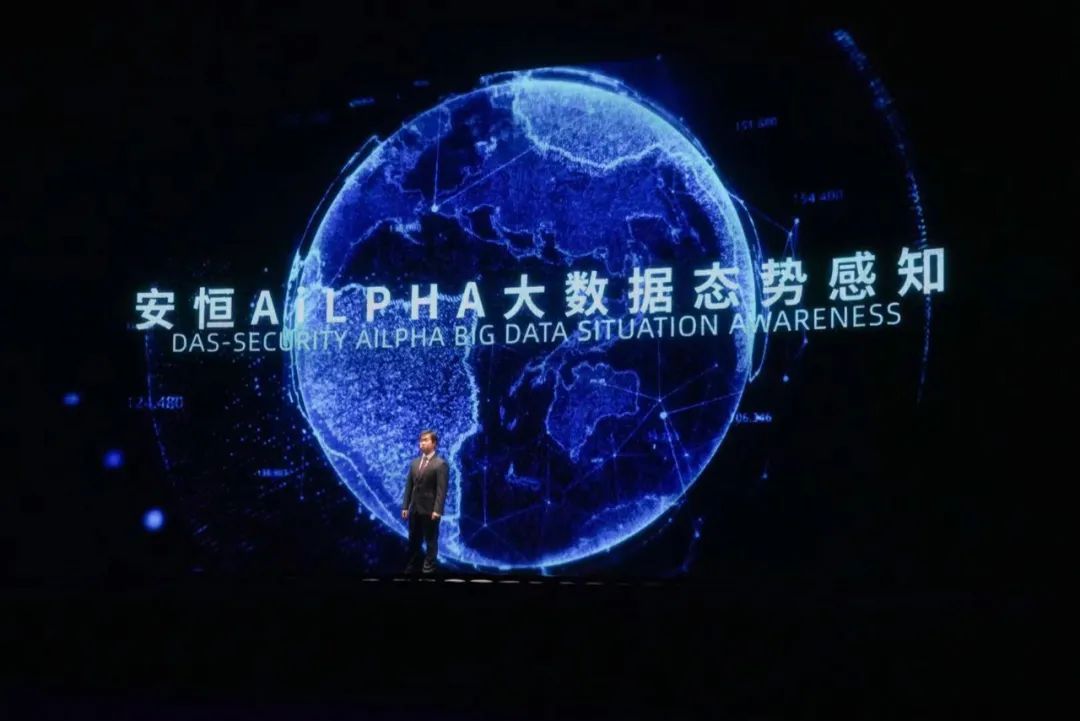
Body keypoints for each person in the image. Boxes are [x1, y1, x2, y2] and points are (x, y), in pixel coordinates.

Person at [401, 429, 448, 574]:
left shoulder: (440, 464)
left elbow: (441, 490)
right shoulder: (414, 463)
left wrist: (437, 510)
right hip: (415, 509)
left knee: (430, 541)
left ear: (434, 443)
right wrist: (405, 506)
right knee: (413, 540)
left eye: (425, 440)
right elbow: (409, 486)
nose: (422, 443)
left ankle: (429, 569)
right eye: (421, 441)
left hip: (430, 510)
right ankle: (412, 566)